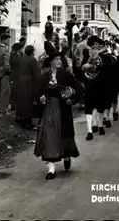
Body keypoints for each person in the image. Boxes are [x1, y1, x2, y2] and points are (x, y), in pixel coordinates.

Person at [34, 43, 84, 180]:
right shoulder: (44, 77)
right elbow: (37, 93)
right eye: (56, 59)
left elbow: (80, 88)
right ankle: (51, 169)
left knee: (65, 135)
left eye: (59, 59)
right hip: (49, 111)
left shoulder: (66, 75)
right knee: (49, 136)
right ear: (50, 62)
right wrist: (41, 98)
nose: (59, 61)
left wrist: (72, 99)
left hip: (64, 109)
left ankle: (67, 155)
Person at [81, 36, 110, 140]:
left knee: (100, 106)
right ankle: (89, 131)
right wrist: (84, 66)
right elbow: (81, 69)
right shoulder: (86, 56)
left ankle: (100, 125)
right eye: (93, 45)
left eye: (97, 45)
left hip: (101, 84)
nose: (95, 47)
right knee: (89, 106)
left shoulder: (105, 56)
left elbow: (108, 70)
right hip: (89, 83)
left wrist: (95, 66)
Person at [15, 45, 41, 129]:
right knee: (28, 102)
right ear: (32, 52)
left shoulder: (22, 59)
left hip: (21, 81)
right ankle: (27, 123)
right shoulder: (33, 60)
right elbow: (36, 73)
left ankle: (22, 120)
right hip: (29, 83)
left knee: (22, 102)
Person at [0, 33, 11, 114]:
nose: (8, 41)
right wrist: (8, 70)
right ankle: (3, 108)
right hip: (4, 73)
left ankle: (1, 107)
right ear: (4, 40)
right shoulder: (6, 50)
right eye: (7, 40)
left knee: (0, 91)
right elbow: (6, 64)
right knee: (5, 91)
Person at [9, 42, 24, 117]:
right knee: (15, 89)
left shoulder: (12, 54)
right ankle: (13, 105)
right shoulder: (16, 55)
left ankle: (13, 105)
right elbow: (20, 62)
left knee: (14, 89)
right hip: (16, 73)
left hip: (14, 73)